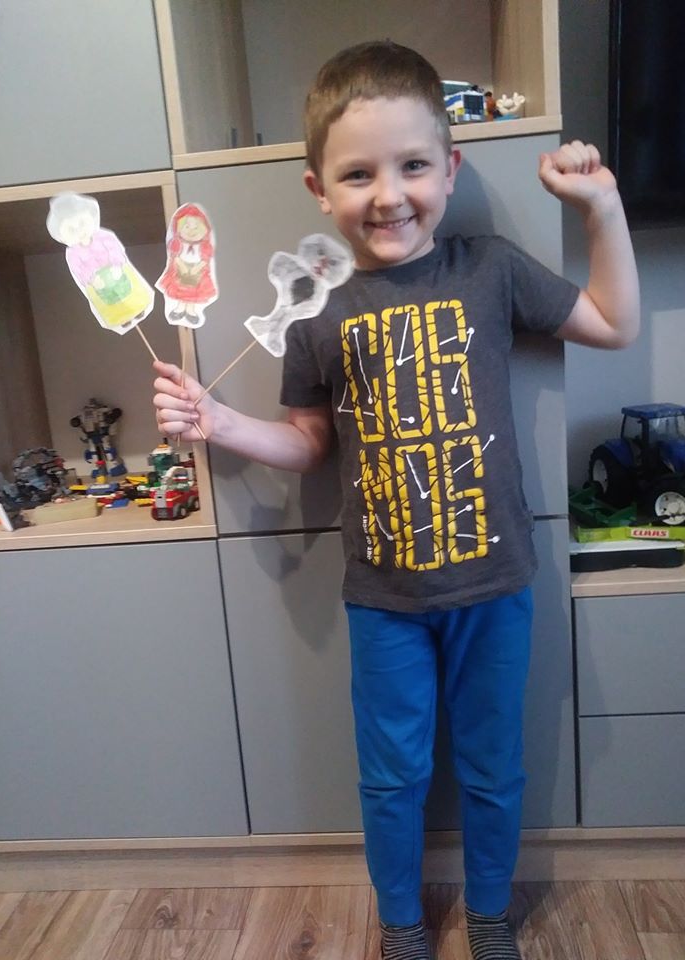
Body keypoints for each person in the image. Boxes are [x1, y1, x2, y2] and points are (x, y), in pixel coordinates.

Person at [153, 40, 639, 960]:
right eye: (358, 174)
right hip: (384, 602)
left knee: (494, 768)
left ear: (450, 170)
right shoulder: (315, 310)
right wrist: (217, 422)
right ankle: (403, 923)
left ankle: (489, 912)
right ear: (318, 190)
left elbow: (615, 324)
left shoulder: (490, 269)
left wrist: (601, 207)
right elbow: (308, 443)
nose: (389, 195)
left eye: (414, 166)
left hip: (495, 584)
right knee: (391, 779)